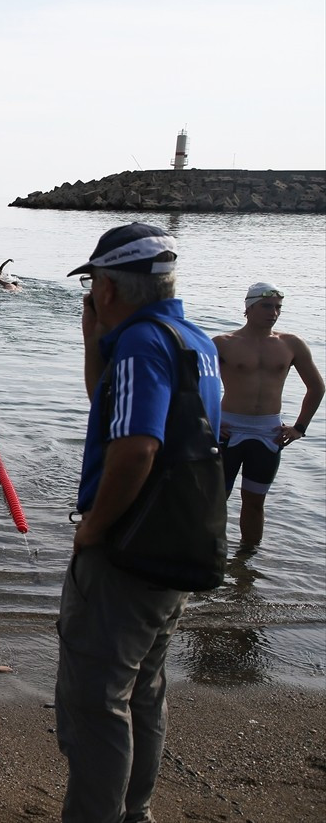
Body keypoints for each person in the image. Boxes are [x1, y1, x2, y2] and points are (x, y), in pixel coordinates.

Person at [56, 222, 223, 823]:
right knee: (144, 692)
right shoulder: (191, 340)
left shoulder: (141, 346)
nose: (92, 294)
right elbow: (112, 403)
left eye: (94, 282)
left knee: (96, 705)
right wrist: (91, 340)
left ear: (109, 288)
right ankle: (136, 812)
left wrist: (93, 528)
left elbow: (135, 447)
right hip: (174, 544)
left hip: (125, 552)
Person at [213, 282, 324, 550]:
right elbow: (191, 386)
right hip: (228, 429)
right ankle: (206, 559)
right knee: (214, 500)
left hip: (268, 433)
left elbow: (317, 387)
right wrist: (208, 421)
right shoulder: (222, 343)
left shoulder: (291, 344)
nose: (273, 312)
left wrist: (299, 427)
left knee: (255, 502)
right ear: (248, 308)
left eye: (277, 307)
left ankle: (246, 566)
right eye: (266, 306)